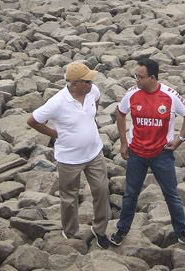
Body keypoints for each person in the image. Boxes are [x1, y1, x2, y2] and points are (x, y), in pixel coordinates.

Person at [109, 58, 185, 249]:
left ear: (152, 77)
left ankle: (183, 232)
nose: (137, 80)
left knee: (172, 195)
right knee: (130, 194)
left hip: (162, 154)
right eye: (135, 76)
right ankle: (122, 229)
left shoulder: (169, 95)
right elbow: (120, 113)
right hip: (136, 153)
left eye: (140, 77)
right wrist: (124, 142)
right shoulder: (132, 94)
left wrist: (180, 139)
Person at [27, 61, 112, 249]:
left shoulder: (92, 92)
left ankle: (99, 229)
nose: (91, 85)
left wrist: (89, 118)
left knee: (102, 189)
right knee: (69, 197)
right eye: (87, 82)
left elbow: (96, 101)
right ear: (74, 84)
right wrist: (54, 133)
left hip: (94, 153)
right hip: (69, 159)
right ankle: (70, 231)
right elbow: (33, 120)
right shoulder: (57, 102)